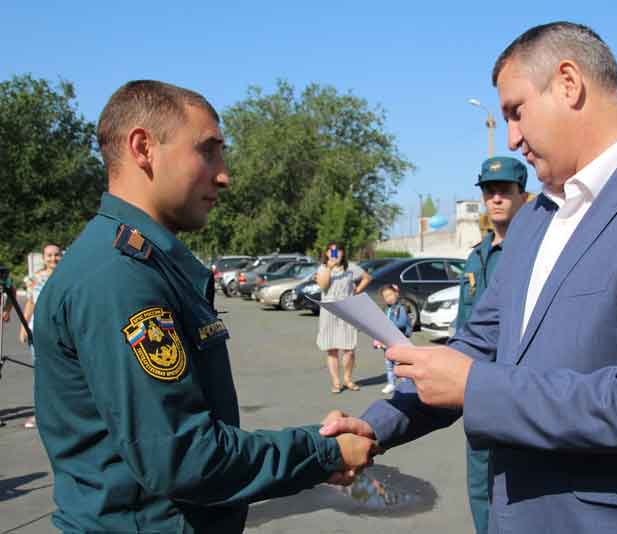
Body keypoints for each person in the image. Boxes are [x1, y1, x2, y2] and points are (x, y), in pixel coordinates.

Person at [321, 21, 617, 533]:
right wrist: (378, 424)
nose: (513, 137)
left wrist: (477, 389)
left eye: (516, 111)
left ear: (568, 83)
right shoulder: (536, 219)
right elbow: (479, 345)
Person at [32, 80, 377, 533]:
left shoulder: (144, 264)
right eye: (208, 150)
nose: (224, 173)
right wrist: (324, 451)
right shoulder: (120, 277)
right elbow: (180, 456)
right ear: (143, 148)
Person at [456, 157, 528, 534]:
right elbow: (463, 327)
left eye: (505, 190)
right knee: (479, 486)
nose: (496, 198)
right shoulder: (475, 256)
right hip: (474, 392)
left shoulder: (534, 253)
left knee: (519, 492)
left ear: (522, 194)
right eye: (489, 190)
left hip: (516, 393)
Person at [316, 242, 371, 393]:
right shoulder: (323, 268)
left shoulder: (351, 267)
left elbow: (367, 278)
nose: (336, 254)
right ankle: (336, 381)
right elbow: (323, 286)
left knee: (349, 349)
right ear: (327, 253)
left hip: (347, 310)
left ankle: (347, 378)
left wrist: (356, 291)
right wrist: (330, 268)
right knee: (331, 348)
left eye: (338, 251)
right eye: (332, 251)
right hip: (329, 310)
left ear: (343, 253)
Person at [18, 244, 62, 428]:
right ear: (43, 258)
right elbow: (30, 302)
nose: (53, 258)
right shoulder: (35, 279)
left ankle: (64, 413)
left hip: (60, 330)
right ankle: (42, 414)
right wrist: (23, 325)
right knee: (41, 372)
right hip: (38, 330)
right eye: (49, 255)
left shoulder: (67, 275)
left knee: (62, 371)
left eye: (56, 255)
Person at [373, 284, 412, 395]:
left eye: (390, 294)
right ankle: (391, 384)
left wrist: (388, 325)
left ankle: (406, 383)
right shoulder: (387, 309)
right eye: (386, 297)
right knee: (389, 364)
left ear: (396, 293)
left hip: (398, 341)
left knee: (400, 364)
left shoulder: (401, 308)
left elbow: (402, 323)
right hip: (387, 342)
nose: (389, 298)